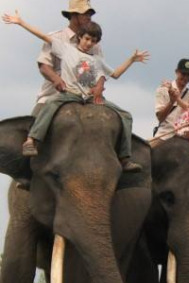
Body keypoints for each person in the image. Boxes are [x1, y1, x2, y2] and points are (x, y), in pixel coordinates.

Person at [3, 10, 149, 172]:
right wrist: (21, 22)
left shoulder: (97, 59)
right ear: (80, 37)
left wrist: (132, 59)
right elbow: (43, 36)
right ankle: (32, 140)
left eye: (93, 41)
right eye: (87, 39)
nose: (89, 43)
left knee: (126, 115)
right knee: (50, 104)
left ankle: (124, 158)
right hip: (70, 93)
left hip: (90, 98)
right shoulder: (66, 50)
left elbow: (115, 74)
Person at [32, 0, 107, 117]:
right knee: (33, 125)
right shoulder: (56, 37)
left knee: (115, 119)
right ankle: (31, 135)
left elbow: (100, 71)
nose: (89, 18)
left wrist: (99, 86)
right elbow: (43, 65)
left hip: (87, 97)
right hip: (54, 94)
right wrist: (56, 79)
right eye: (85, 14)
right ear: (73, 15)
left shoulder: (95, 45)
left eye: (90, 15)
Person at [154, 58, 189, 139]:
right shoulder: (162, 90)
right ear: (177, 72)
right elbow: (160, 118)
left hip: (185, 134)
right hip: (165, 133)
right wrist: (171, 102)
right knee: (146, 150)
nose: (186, 78)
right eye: (183, 74)